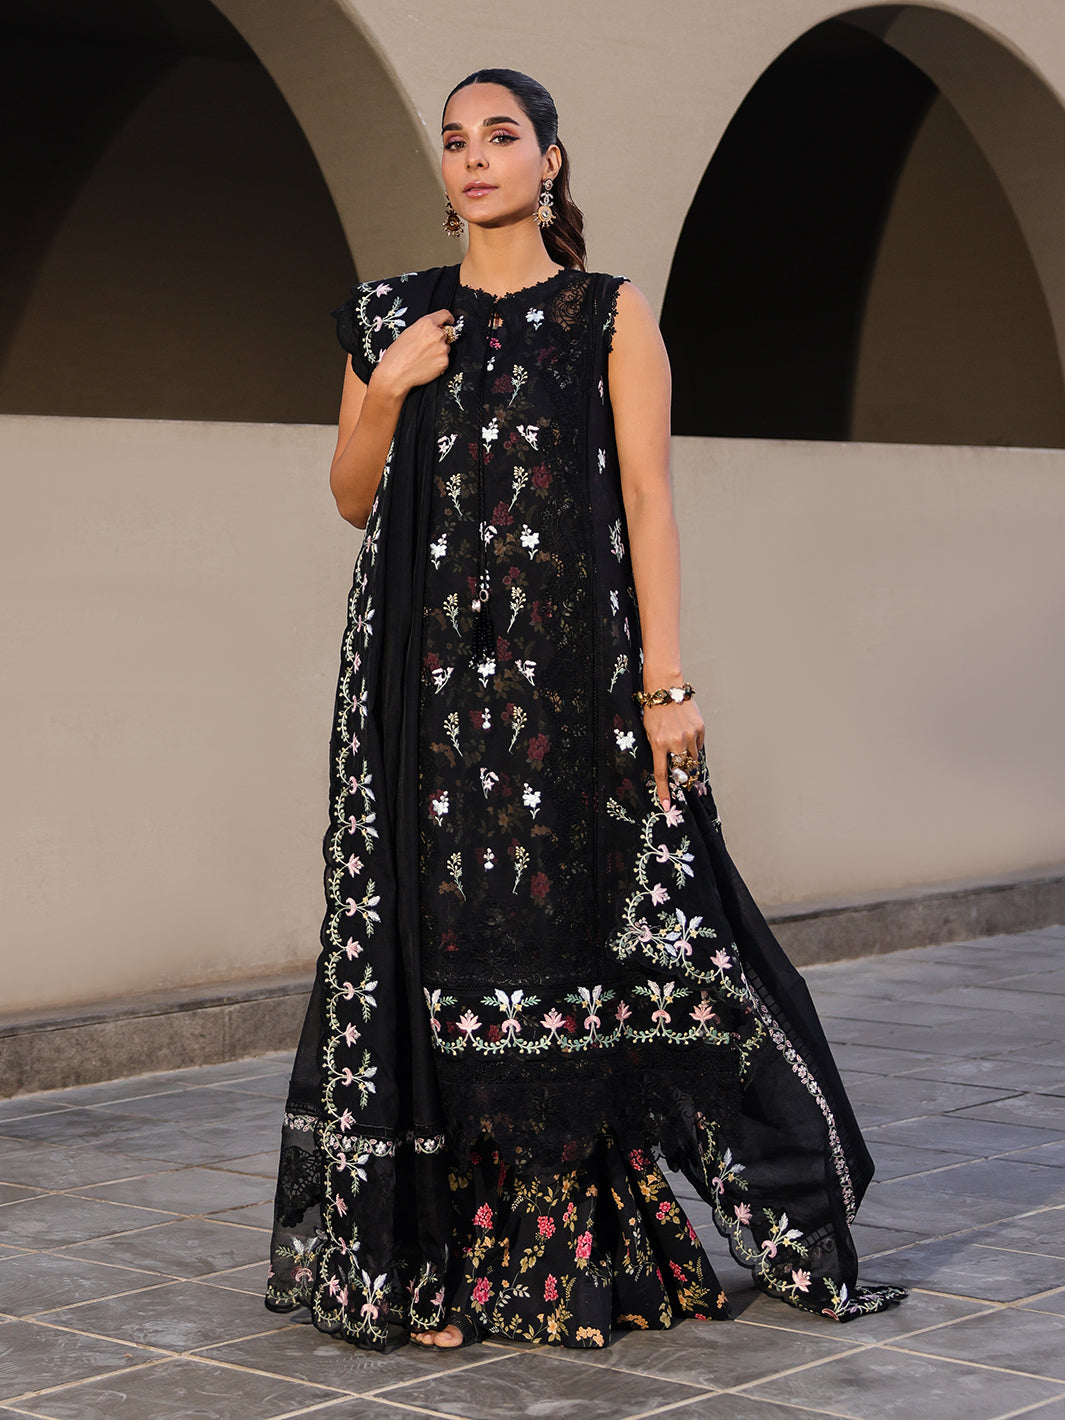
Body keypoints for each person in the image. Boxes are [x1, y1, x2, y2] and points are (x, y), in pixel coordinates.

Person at [265, 67, 906, 1353]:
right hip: (422, 699)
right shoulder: (391, 315)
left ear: (549, 160)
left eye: (501, 136)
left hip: (573, 694)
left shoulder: (608, 314)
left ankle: (578, 1251)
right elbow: (350, 496)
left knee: (584, 940)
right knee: (433, 950)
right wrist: (387, 387)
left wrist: (668, 685)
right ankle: (431, 1262)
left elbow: (650, 503)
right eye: (456, 140)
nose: (474, 158)